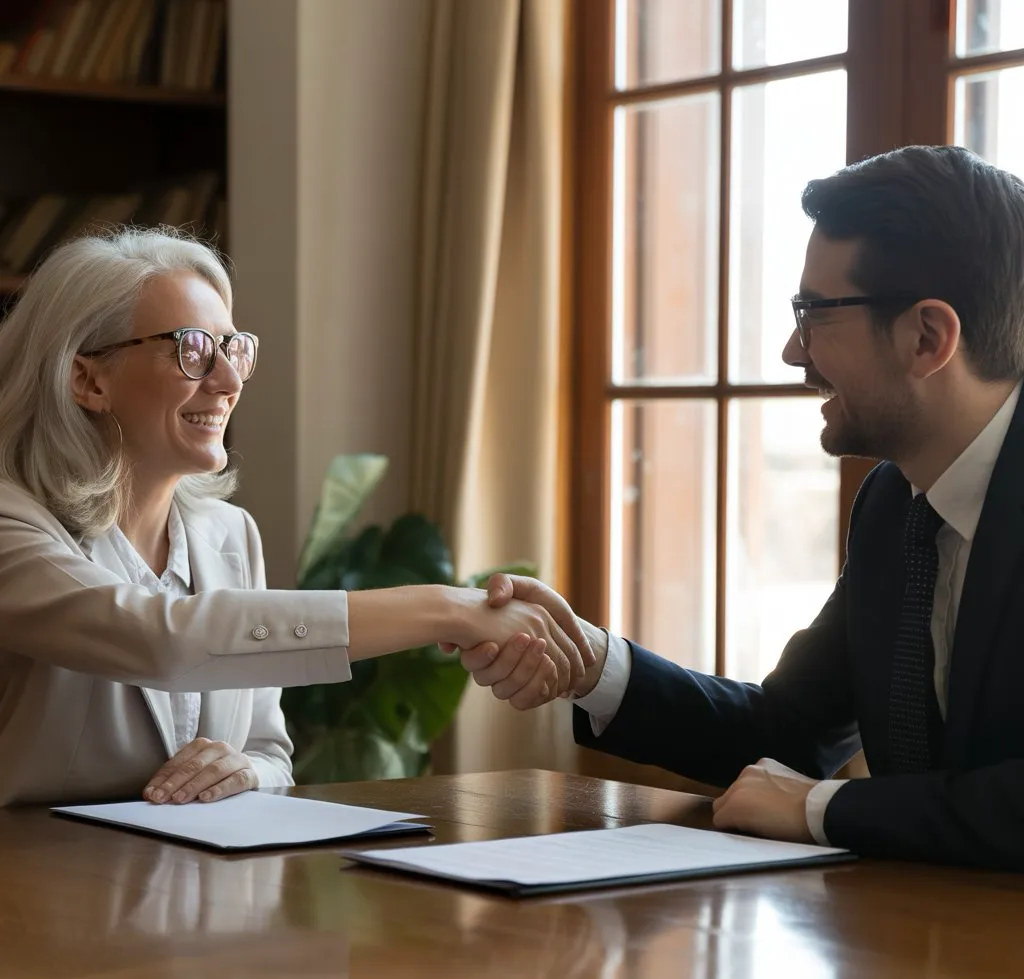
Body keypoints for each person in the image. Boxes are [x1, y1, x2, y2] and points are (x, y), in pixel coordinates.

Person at [457, 145, 1024, 870]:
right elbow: (794, 733)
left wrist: (820, 807)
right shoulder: (895, 505)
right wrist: (593, 664)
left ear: (927, 337)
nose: (794, 351)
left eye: (814, 314)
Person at [0, 226, 593, 808]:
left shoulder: (230, 535)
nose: (229, 381)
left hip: (191, 892)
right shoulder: (13, 526)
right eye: (192, 351)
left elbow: (269, 752)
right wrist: (450, 608)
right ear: (87, 379)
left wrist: (245, 771)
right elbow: (163, 637)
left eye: (231, 349)